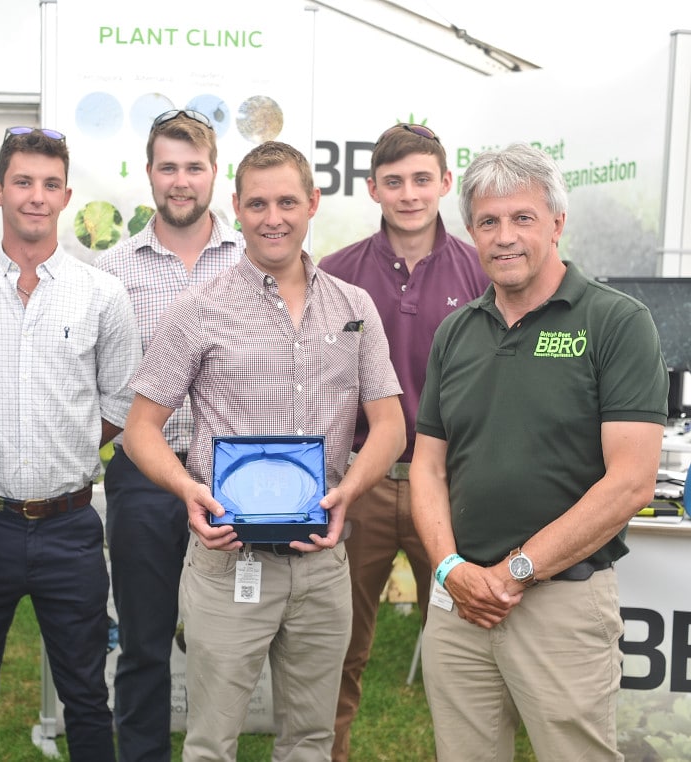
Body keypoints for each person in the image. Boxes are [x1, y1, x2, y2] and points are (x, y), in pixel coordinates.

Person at [123, 140, 406, 761]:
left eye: (286, 201)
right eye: (257, 203)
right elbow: (141, 428)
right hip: (229, 560)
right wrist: (189, 492)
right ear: (236, 208)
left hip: (321, 560)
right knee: (210, 744)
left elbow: (389, 425)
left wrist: (348, 493)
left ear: (313, 204)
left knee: (309, 739)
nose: (272, 217)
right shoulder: (199, 308)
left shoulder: (354, 308)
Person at [410, 142, 668, 761]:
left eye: (522, 218)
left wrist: (514, 571)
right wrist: (449, 570)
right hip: (460, 603)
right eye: (488, 221)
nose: (505, 237)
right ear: (470, 230)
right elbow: (427, 465)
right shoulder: (457, 331)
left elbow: (631, 481)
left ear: (557, 222)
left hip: (559, 604)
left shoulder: (615, 322)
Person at [0, 126, 141, 762]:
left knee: (86, 692)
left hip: (70, 524)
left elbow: (118, 404)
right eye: (23, 182)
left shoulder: (102, 294)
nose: (36, 196)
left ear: (66, 195)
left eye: (50, 184)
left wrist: (68, 442)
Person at [317, 122, 489, 761]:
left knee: (463, 652)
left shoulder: (481, 269)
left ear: (446, 183)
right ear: (372, 189)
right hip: (358, 485)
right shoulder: (336, 275)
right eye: (394, 182)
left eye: (422, 179)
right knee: (339, 649)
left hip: (449, 489)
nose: (409, 194)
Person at [94, 108, 244, 762]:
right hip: (145, 473)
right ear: (149, 173)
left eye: (193, 167)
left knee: (227, 642)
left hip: (233, 474)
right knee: (145, 642)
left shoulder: (255, 260)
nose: (180, 181)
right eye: (167, 168)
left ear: (215, 173)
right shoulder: (111, 269)